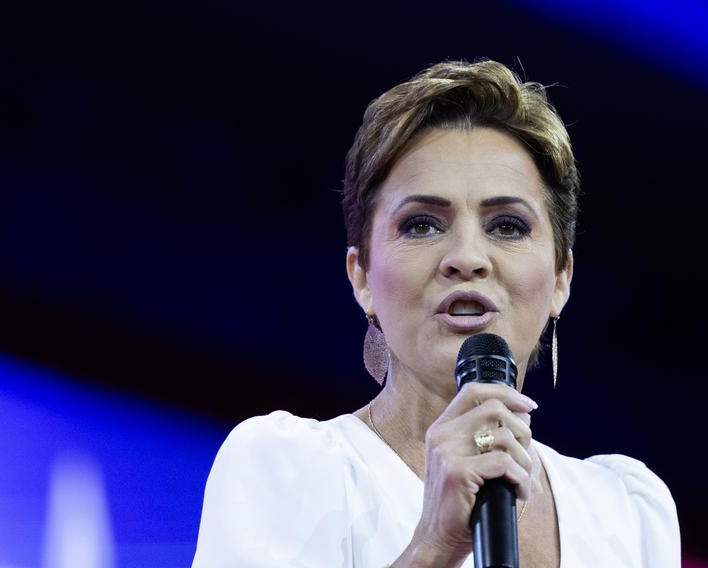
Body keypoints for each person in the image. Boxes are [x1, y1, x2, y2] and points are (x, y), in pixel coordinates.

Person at [192, 59, 680, 567]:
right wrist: (435, 546)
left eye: (508, 226)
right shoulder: (287, 468)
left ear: (561, 278)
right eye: (422, 224)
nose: (467, 257)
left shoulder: (628, 512)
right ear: (362, 277)